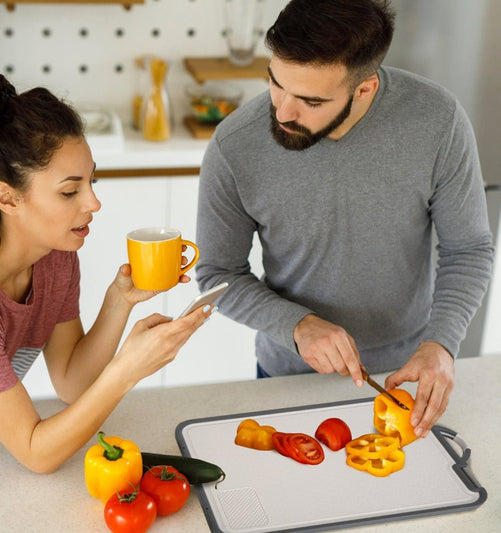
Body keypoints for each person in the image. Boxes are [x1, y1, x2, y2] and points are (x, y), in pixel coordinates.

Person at [195, 0, 494, 438]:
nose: (281, 112)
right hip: (286, 378)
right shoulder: (235, 145)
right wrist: (297, 325)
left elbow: (467, 249)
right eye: (276, 83)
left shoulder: (437, 122)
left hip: (408, 377)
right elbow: (217, 274)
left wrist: (442, 344)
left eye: (310, 100)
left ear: (365, 89)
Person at [0, 73, 212, 473]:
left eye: (92, 181)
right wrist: (127, 370)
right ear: (7, 198)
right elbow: (37, 453)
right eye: (70, 191)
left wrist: (118, 302)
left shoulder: (55, 257)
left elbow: (72, 383)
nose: (94, 202)